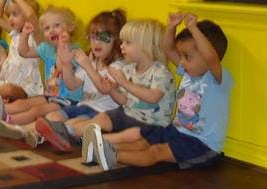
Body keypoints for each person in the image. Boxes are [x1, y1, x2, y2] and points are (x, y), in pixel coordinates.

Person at [85, 14, 231, 171]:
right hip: (176, 131)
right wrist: (171, 26)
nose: (181, 62)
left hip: (201, 144)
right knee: (143, 141)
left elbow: (211, 57)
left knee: (156, 152)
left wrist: (193, 29)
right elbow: (168, 49)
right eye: (181, 56)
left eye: (187, 57)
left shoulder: (216, 79)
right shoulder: (188, 72)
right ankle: (101, 148)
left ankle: (111, 156)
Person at [38, 19, 174, 156]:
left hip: (151, 123)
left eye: (128, 43)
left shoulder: (160, 72)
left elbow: (153, 97)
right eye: (122, 42)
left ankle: (92, 141)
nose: (122, 46)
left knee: (130, 135)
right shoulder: (129, 69)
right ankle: (65, 132)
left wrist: (123, 83)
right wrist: (112, 90)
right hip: (126, 113)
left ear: (146, 46)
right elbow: (124, 101)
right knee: (101, 119)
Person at [32, 9, 127, 150]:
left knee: (74, 124)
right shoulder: (92, 60)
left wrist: (88, 66)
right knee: (52, 116)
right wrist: (66, 64)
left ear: (116, 39)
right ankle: (36, 134)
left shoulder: (117, 66)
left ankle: (56, 137)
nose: (97, 43)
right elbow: (72, 85)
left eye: (104, 38)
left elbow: (104, 89)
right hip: (83, 105)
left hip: (102, 112)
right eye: (93, 37)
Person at [0, 6, 83, 145]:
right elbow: (24, 52)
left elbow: (63, 68)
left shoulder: (75, 51)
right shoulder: (46, 48)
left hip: (68, 100)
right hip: (50, 96)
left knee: (36, 111)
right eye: (46, 28)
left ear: (69, 27)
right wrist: (25, 35)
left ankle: (11, 124)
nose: (51, 30)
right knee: (23, 103)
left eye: (56, 26)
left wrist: (62, 45)